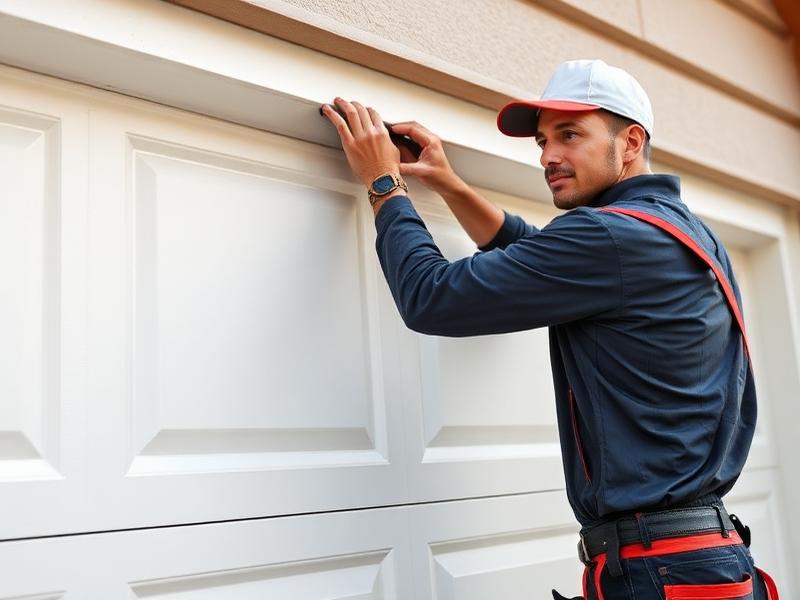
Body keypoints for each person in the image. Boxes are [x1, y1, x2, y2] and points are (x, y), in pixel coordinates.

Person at [321, 59, 779, 599]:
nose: (548, 156)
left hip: (660, 572)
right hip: (704, 559)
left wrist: (384, 184)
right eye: (542, 141)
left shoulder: (607, 237)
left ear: (630, 141)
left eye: (570, 134)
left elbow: (432, 298)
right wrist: (450, 186)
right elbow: (540, 254)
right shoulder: (685, 234)